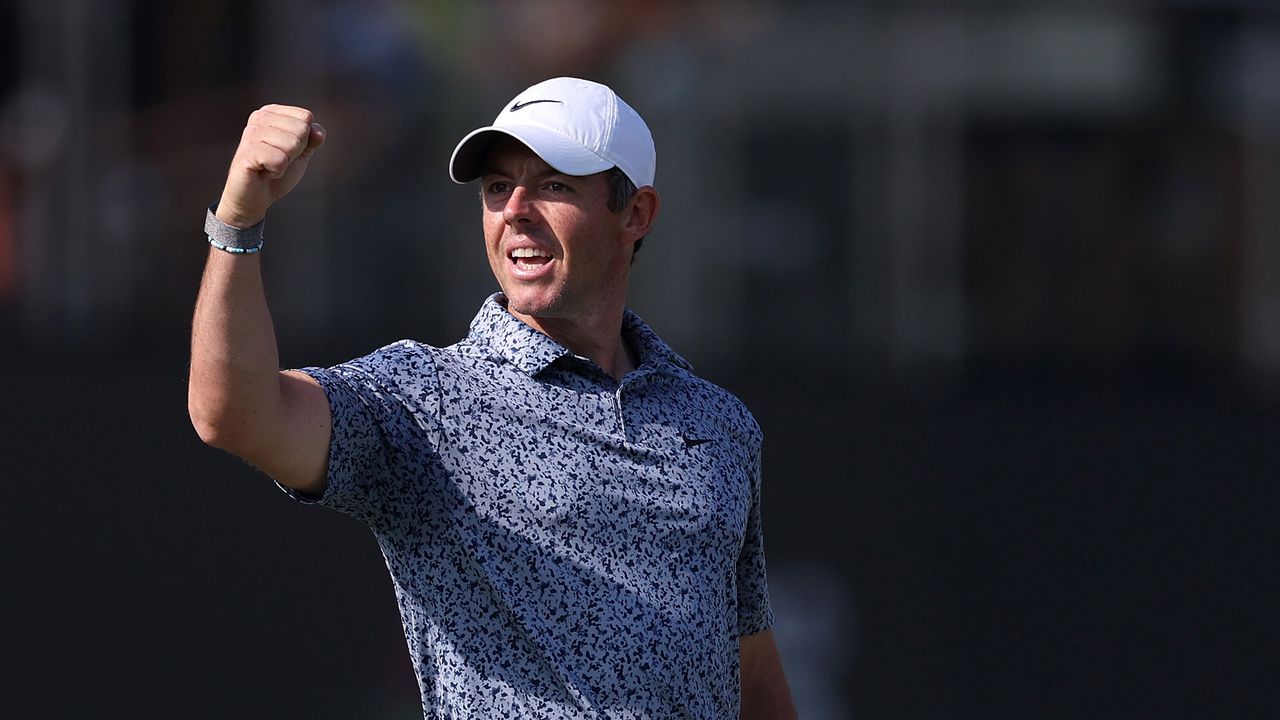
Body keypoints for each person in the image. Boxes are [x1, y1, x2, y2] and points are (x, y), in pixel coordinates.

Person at [189, 76, 795, 718]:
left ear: (636, 213)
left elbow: (751, 676)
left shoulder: (719, 425)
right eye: (498, 188)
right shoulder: (424, 402)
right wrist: (238, 219)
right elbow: (232, 412)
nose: (515, 209)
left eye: (555, 185)